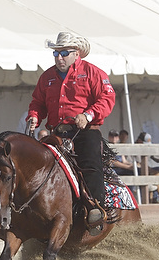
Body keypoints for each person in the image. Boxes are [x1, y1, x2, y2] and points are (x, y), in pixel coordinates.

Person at [26, 31, 115, 235]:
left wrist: (88, 115)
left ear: (77, 53)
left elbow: (107, 98)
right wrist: (34, 116)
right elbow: (38, 102)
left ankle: (95, 208)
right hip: (56, 132)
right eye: (56, 53)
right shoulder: (47, 77)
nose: (59, 57)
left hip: (84, 131)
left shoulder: (93, 73)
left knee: (90, 164)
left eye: (64, 53)